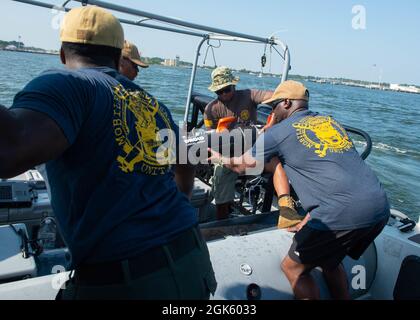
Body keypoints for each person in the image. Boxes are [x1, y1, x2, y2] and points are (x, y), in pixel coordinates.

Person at [0, 6, 216, 300]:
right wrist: (181, 198)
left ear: (63, 54)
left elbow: (9, 150)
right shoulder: (154, 104)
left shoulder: (65, 83)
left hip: (128, 282)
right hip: (192, 257)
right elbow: (187, 161)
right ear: (117, 58)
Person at [209, 80, 390, 300]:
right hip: (379, 208)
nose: (271, 111)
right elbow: (334, 172)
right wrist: (311, 218)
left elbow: (242, 166)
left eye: (274, 105)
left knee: (293, 269)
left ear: (286, 103)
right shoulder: (331, 123)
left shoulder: (277, 133)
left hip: (340, 213)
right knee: (330, 262)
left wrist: (221, 159)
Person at [204, 66, 273, 220]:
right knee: (220, 178)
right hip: (226, 152)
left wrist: (274, 119)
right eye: (219, 91)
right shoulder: (211, 109)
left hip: (253, 149)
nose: (224, 94)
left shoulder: (249, 95)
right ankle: (222, 219)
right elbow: (210, 138)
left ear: (233, 85)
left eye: (227, 89)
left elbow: (274, 97)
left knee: (278, 163)